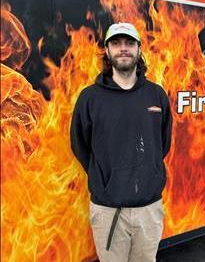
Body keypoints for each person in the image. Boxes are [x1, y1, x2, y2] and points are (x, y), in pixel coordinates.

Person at [70, 22, 172, 262]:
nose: (123, 49)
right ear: (107, 51)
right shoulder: (90, 98)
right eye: (116, 43)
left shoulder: (156, 95)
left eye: (129, 43)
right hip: (108, 211)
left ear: (138, 49)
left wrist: (150, 172)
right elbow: (80, 145)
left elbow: (163, 143)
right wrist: (106, 179)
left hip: (149, 209)